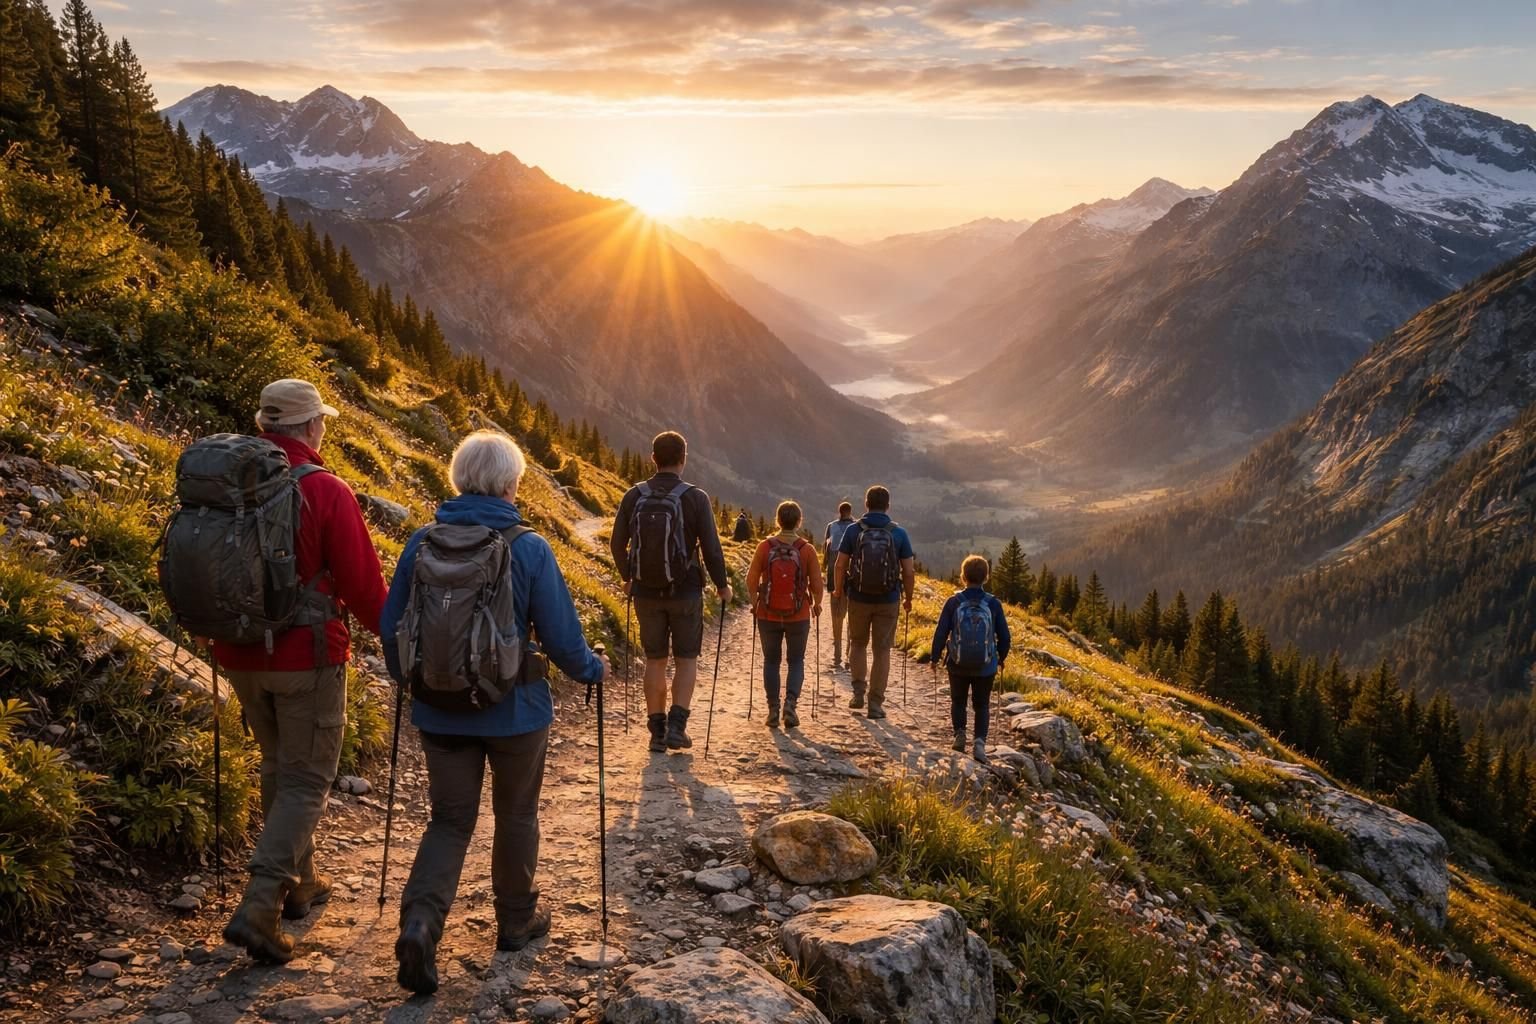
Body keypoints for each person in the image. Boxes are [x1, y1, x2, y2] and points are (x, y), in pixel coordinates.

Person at [382, 431, 610, 995]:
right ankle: (515, 921)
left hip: (440, 712)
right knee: (516, 815)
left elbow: (392, 627)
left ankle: (420, 924)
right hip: (516, 713)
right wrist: (592, 669)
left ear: (459, 479)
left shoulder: (421, 542)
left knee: (449, 821)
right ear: (511, 484)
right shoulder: (528, 546)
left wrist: (415, 680)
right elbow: (560, 636)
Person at [217, 379, 388, 964]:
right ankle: (260, 907)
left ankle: (301, 884)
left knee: (277, 763)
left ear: (265, 428)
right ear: (311, 427)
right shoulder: (324, 489)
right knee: (307, 779)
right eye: (322, 422)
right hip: (305, 656)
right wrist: (398, 637)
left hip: (236, 653)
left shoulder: (225, 484)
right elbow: (365, 588)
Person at [610, 431, 732, 753]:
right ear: (683, 459)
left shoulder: (633, 495)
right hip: (685, 591)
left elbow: (616, 544)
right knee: (686, 659)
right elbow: (711, 548)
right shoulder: (695, 497)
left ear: (653, 458)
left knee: (655, 660)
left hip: (645, 593)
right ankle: (678, 729)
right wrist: (722, 585)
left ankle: (656, 734)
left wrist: (628, 577)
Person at [832, 486, 915, 720]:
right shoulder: (898, 533)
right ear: (888, 506)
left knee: (857, 643)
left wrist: (839, 590)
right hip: (888, 600)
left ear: (865, 504)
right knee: (882, 650)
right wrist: (908, 598)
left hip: (858, 597)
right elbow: (908, 571)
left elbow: (840, 564)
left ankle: (858, 692)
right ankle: (875, 703)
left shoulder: (853, 530)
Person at [746, 501, 824, 728]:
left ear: (777, 520)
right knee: (796, 660)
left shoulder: (765, 547)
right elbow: (818, 585)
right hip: (798, 615)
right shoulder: (806, 550)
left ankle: (772, 709)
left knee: (771, 660)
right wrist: (817, 604)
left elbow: (750, 581)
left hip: (767, 614)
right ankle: (790, 705)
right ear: (799, 521)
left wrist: (754, 603)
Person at [931, 555, 1011, 763]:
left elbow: (941, 632)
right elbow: (1005, 636)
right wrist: (1001, 657)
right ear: (986, 577)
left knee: (958, 700)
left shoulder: (953, 602)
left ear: (963, 576)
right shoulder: (993, 604)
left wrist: (934, 656)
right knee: (982, 704)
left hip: (957, 663)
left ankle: (959, 734)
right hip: (986, 665)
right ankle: (979, 744)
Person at [822, 501, 855, 670]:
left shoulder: (831, 527)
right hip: (853, 583)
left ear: (839, 511)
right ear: (850, 512)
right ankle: (850, 657)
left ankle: (837, 656)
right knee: (852, 621)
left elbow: (826, 555)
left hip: (834, 580)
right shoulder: (857, 528)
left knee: (837, 619)